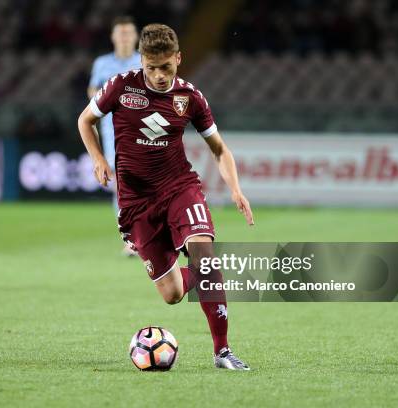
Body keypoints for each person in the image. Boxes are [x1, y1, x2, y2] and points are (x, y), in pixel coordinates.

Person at [78, 24, 254, 370]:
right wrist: (98, 158)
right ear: (142, 60)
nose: (159, 76)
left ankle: (222, 351)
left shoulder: (190, 97)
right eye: (152, 68)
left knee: (204, 255)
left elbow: (219, 150)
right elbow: (85, 121)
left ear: (178, 59)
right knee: (172, 294)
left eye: (166, 68)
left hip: (178, 187)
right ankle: (199, 274)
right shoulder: (119, 86)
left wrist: (235, 188)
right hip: (136, 203)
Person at [87, 16, 141, 256]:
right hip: (112, 131)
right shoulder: (102, 63)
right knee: (120, 184)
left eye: (128, 33)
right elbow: (92, 91)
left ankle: (149, 232)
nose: (125, 37)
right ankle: (130, 238)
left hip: (143, 129)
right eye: (121, 33)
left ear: (136, 36)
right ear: (113, 37)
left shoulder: (143, 60)